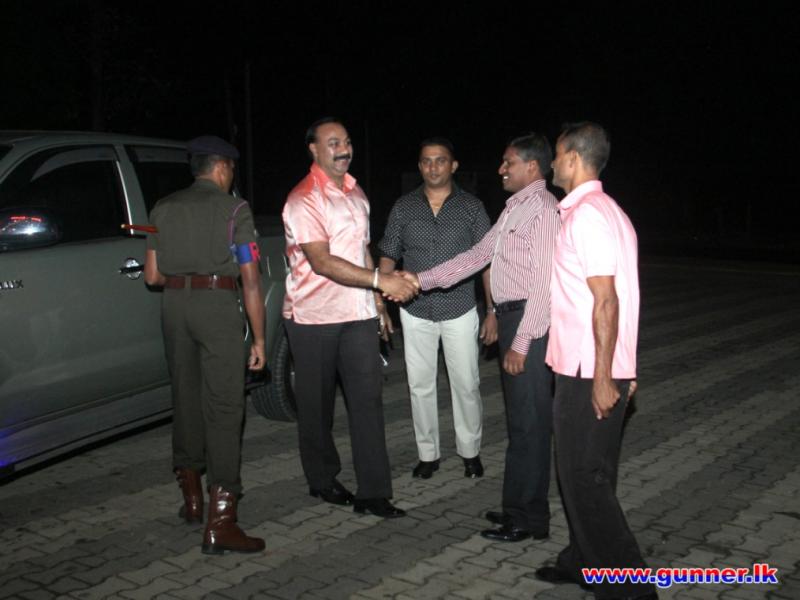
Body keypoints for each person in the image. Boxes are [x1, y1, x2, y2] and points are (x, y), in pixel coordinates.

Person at [401, 133, 559, 542]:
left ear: (531, 167)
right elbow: (476, 257)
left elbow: (544, 285)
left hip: (528, 323)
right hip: (512, 318)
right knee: (519, 423)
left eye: (508, 162)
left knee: (531, 425)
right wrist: (420, 280)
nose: (501, 169)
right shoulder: (514, 208)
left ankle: (530, 519)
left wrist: (522, 342)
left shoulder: (543, 209)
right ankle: (516, 508)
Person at [535, 122, 657, 600]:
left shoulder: (587, 216)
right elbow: (624, 295)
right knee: (591, 473)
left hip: (587, 373)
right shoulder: (610, 212)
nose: (551, 163)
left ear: (572, 158)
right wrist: (626, 369)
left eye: (556, 154)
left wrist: (606, 377)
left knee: (583, 479)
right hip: (596, 367)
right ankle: (583, 561)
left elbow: (607, 301)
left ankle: (632, 589)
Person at [282, 117, 418, 519]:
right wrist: (382, 280)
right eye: (333, 143)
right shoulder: (303, 198)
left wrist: (378, 302)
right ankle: (322, 478)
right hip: (314, 318)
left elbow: (362, 250)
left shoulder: (356, 192)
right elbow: (322, 262)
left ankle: (374, 493)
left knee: (367, 402)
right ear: (313, 149)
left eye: (347, 142)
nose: (344, 149)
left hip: (357, 314)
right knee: (316, 407)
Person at [144, 135, 266, 555]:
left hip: (174, 306)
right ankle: (222, 523)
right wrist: (260, 338)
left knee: (186, 397)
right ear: (223, 167)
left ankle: (192, 500)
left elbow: (152, 276)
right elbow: (250, 279)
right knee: (225, 407)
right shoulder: (235, 209)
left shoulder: (163, 207)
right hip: (216, 306)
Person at [377, 137, 494, 480]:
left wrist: (492, 310)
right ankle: (427, 454)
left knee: (466, 384)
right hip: (414, 311)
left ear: (453, 166)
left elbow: (487, 261)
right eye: (426, 161)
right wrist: (379, 300)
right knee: (420, 385)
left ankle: (470, 451)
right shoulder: (404, 207)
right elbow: (388, 254)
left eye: (440, 160)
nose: (433, 167)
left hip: (460, 308)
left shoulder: (472, 207)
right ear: (419, 166)